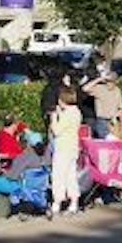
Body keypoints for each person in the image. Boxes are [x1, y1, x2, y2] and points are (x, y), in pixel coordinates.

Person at [49, 87, 84, 217]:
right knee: (71, 176)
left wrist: (54, 118)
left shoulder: (67, 114)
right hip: (73, 147)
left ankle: (56, 203)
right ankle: (74, 202)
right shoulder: (76, 112)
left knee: (58, 176)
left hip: (62, 148)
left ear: (62, 100)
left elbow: (57, 130)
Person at [82, 59, 122, 141]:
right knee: (106, 142)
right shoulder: (100, 88)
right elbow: (85, 88)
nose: (109, 83)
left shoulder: (117, 90)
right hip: (102, 120)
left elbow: (120, 105)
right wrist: (99, 79)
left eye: (111, 81)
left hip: (113, 120)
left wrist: (117, 114)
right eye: (107, 81)